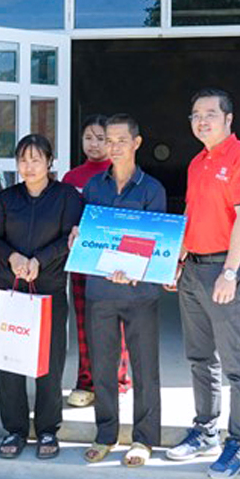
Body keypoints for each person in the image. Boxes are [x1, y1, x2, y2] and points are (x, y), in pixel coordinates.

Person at [166, 88, 240, 479]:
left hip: (226, 269)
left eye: (210, 113)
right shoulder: (197, 162)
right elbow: (191, 214)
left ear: (228, 119)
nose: (202, 120)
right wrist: (177, 261)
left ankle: (238, 444)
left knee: (236, 363)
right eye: (195, 114)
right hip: (193, 268)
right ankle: (206, 429)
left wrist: (230, 272)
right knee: (200, 357)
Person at [74, 114, 166, 467]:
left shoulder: (152, 189)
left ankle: (144, 439)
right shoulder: (93, 187)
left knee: (145, 369)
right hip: (99, 291)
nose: (113, 147)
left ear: (136, 143)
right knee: (102, 368)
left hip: (140, 293)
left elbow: (156, 242)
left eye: (120, 140)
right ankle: (105, 435)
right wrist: (77, 237)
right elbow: (86, 234)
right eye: (108, 140)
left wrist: (132, 269)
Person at [0, 134, 83, 460]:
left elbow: (69, 238)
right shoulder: (6, 198)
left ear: (49, 162)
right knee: (9, 363)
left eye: (36, 159)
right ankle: (14, 428)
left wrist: (39, 260)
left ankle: (47, 429)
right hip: (10, 290)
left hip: (49, 289)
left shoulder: (67, 196)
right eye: (23, 160)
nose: (29, 166)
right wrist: (13, 257)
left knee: (49, 364)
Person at [62, 115, 132, 407]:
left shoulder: (120, 174)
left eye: (101, 139)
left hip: (114, 262)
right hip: (82, 262)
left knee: (116, 323)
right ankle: (86, 381)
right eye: (88, 138)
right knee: (85, 323)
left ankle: (119, 380)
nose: (94, 144)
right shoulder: (72, 178)